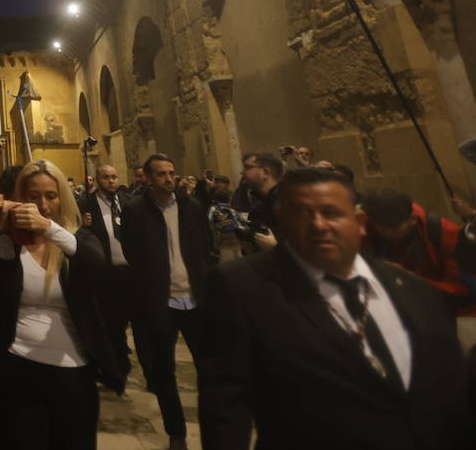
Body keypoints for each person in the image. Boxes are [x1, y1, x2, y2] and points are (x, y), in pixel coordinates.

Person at [199, 167, 473, 449]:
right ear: (282, 220)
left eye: (332, 212)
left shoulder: (413, 290)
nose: (318, 224)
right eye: (302, 213)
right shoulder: (242, 287)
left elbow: (449, 395)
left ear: (360, 221)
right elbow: (226, 403)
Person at [0, 160, 128, 450]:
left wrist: (49, 228)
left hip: (72, 367)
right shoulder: (14, 240)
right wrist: (1, 225)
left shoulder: (76, 237)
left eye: (51, 195)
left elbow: (97, 267)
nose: (43, 204)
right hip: (17, 362)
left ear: (63, 197)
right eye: (33, 197)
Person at [120, 153, 215, 450]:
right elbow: (131, 251)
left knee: (210, 368)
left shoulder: (193, 207)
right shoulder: (136, 211)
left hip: (195, 298)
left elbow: (206, 244)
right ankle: (176, 432)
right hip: (161, 301)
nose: (169, 178)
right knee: (163, 370)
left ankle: (214, 425)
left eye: (171, 172)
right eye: (161, 174)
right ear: (148, 177)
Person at [361, 188, 476, 314]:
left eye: (393, 227)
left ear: (413, 220)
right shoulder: (367, 231)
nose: (385, 233)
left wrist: (409, 278)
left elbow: (463, 290)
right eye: (379, 227)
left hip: (447, 311)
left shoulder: (445, 234)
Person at [80, 163, 134, 366]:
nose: (111, 181)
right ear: (97, 179)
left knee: (130, 317)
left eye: (114, 177)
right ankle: (115, 359)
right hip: (105, 271)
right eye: (106, 177)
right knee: (110, 319)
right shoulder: (86, 203)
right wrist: (82, 225)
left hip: (129, 270)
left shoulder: (128, 202)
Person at [241, 151, 284, 250]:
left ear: (266, 172)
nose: (242, 172)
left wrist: (276, 248)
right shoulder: (259, 200)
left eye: (247, 167)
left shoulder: (288, 201)